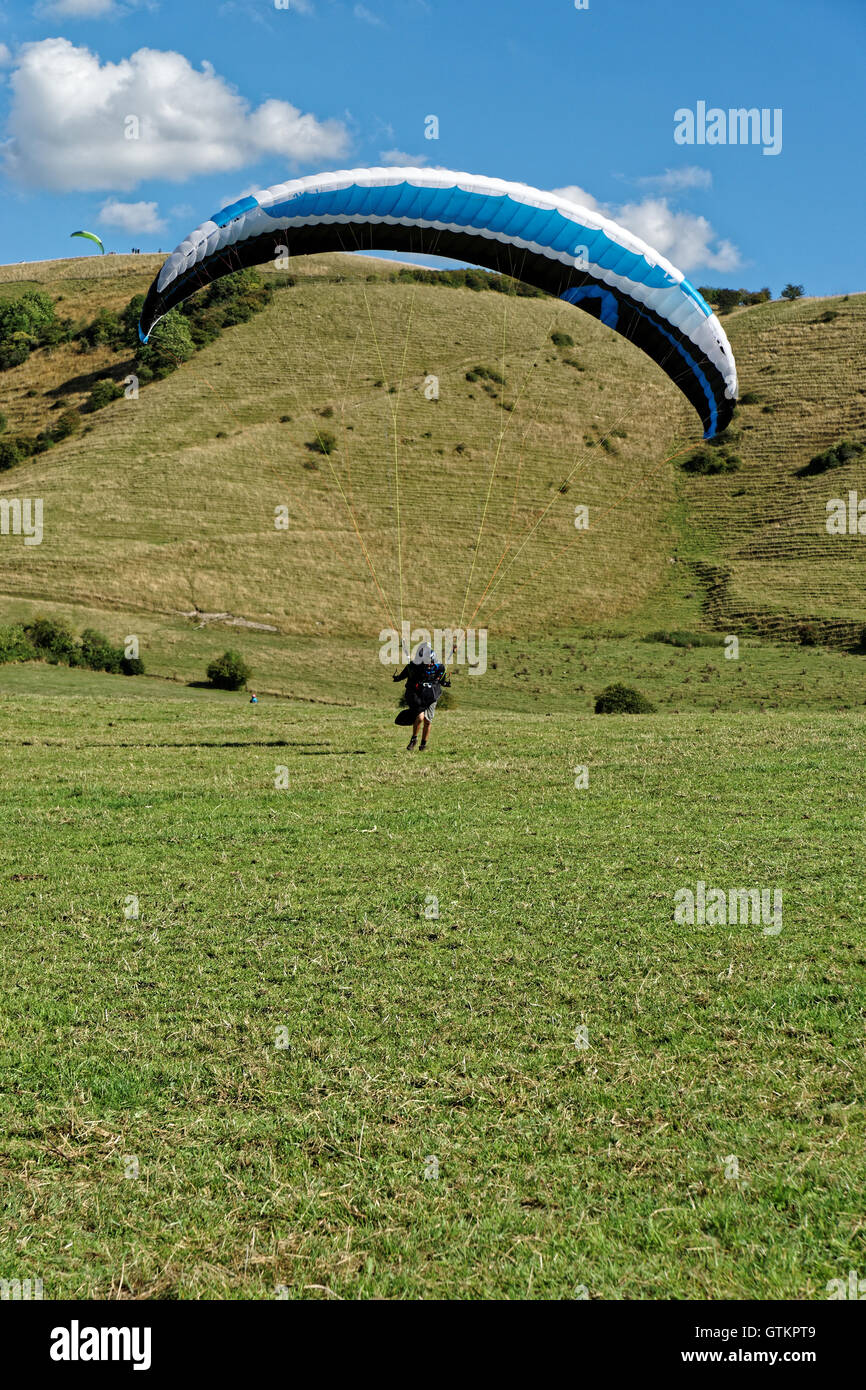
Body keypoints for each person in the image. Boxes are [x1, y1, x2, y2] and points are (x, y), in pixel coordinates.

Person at [393, 642, 449, 751]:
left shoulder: (439, 667)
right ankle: (414, 739)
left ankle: (423, 744)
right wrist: (398, 678)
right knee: (420, 717)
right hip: (417, 695)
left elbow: (441, 680)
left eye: (430, 663)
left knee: (428, 720)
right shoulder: (415, 667)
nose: (428, 665)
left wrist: (445, 683)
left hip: (432, 696)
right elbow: (405, 673)